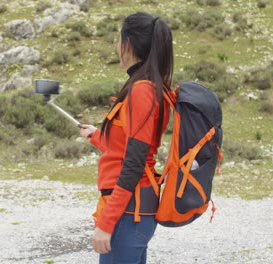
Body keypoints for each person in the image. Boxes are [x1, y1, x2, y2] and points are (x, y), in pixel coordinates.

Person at [79, 12, 174, 264]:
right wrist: (97, 136)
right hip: (134, 210)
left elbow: (133, 163)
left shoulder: (142, 91)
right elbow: (128, 147)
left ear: (129, 43)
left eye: (119, 40)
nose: (117, 47)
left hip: (128, 213)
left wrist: (106, 223)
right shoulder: (152, 86)